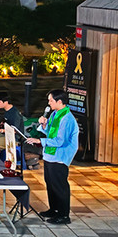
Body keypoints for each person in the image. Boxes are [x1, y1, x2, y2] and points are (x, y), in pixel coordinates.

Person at [25, 89, 80, 225]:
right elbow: (50, 132)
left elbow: (60, 141)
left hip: (60, 156)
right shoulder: (55, 114)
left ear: (59, 101)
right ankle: (54, 209)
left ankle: (63, 215)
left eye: (51, 100)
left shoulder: (67, 118)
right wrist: (43, 125)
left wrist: (39, 141)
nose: (48, 103)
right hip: (50, 155)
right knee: (50, 183)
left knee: (59, 186)